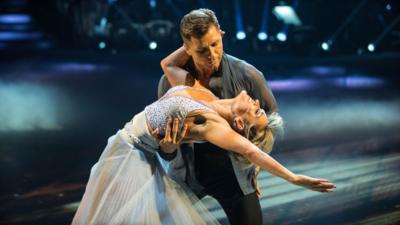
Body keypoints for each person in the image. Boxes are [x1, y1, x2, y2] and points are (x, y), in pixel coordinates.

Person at [72, 84, 335, 225]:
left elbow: (251, 151)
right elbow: (171, 64)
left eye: (256, 111)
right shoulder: (206, 94)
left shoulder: (214, 125)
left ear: (240, 124)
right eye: (259, 107)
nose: (257, 103)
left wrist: (293, 178)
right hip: (126, 145)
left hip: (131, 153)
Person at [157, 8, 280, 225]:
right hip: (187, 174)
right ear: (186, 48)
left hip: (234, 175)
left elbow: (272, 120)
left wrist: (257, 163)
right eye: (202, 49)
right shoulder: (169, 82)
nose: (212, 55)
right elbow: (165, 145)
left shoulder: (248, 74)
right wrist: (168, 148)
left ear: (221, 34)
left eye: (215, 44)